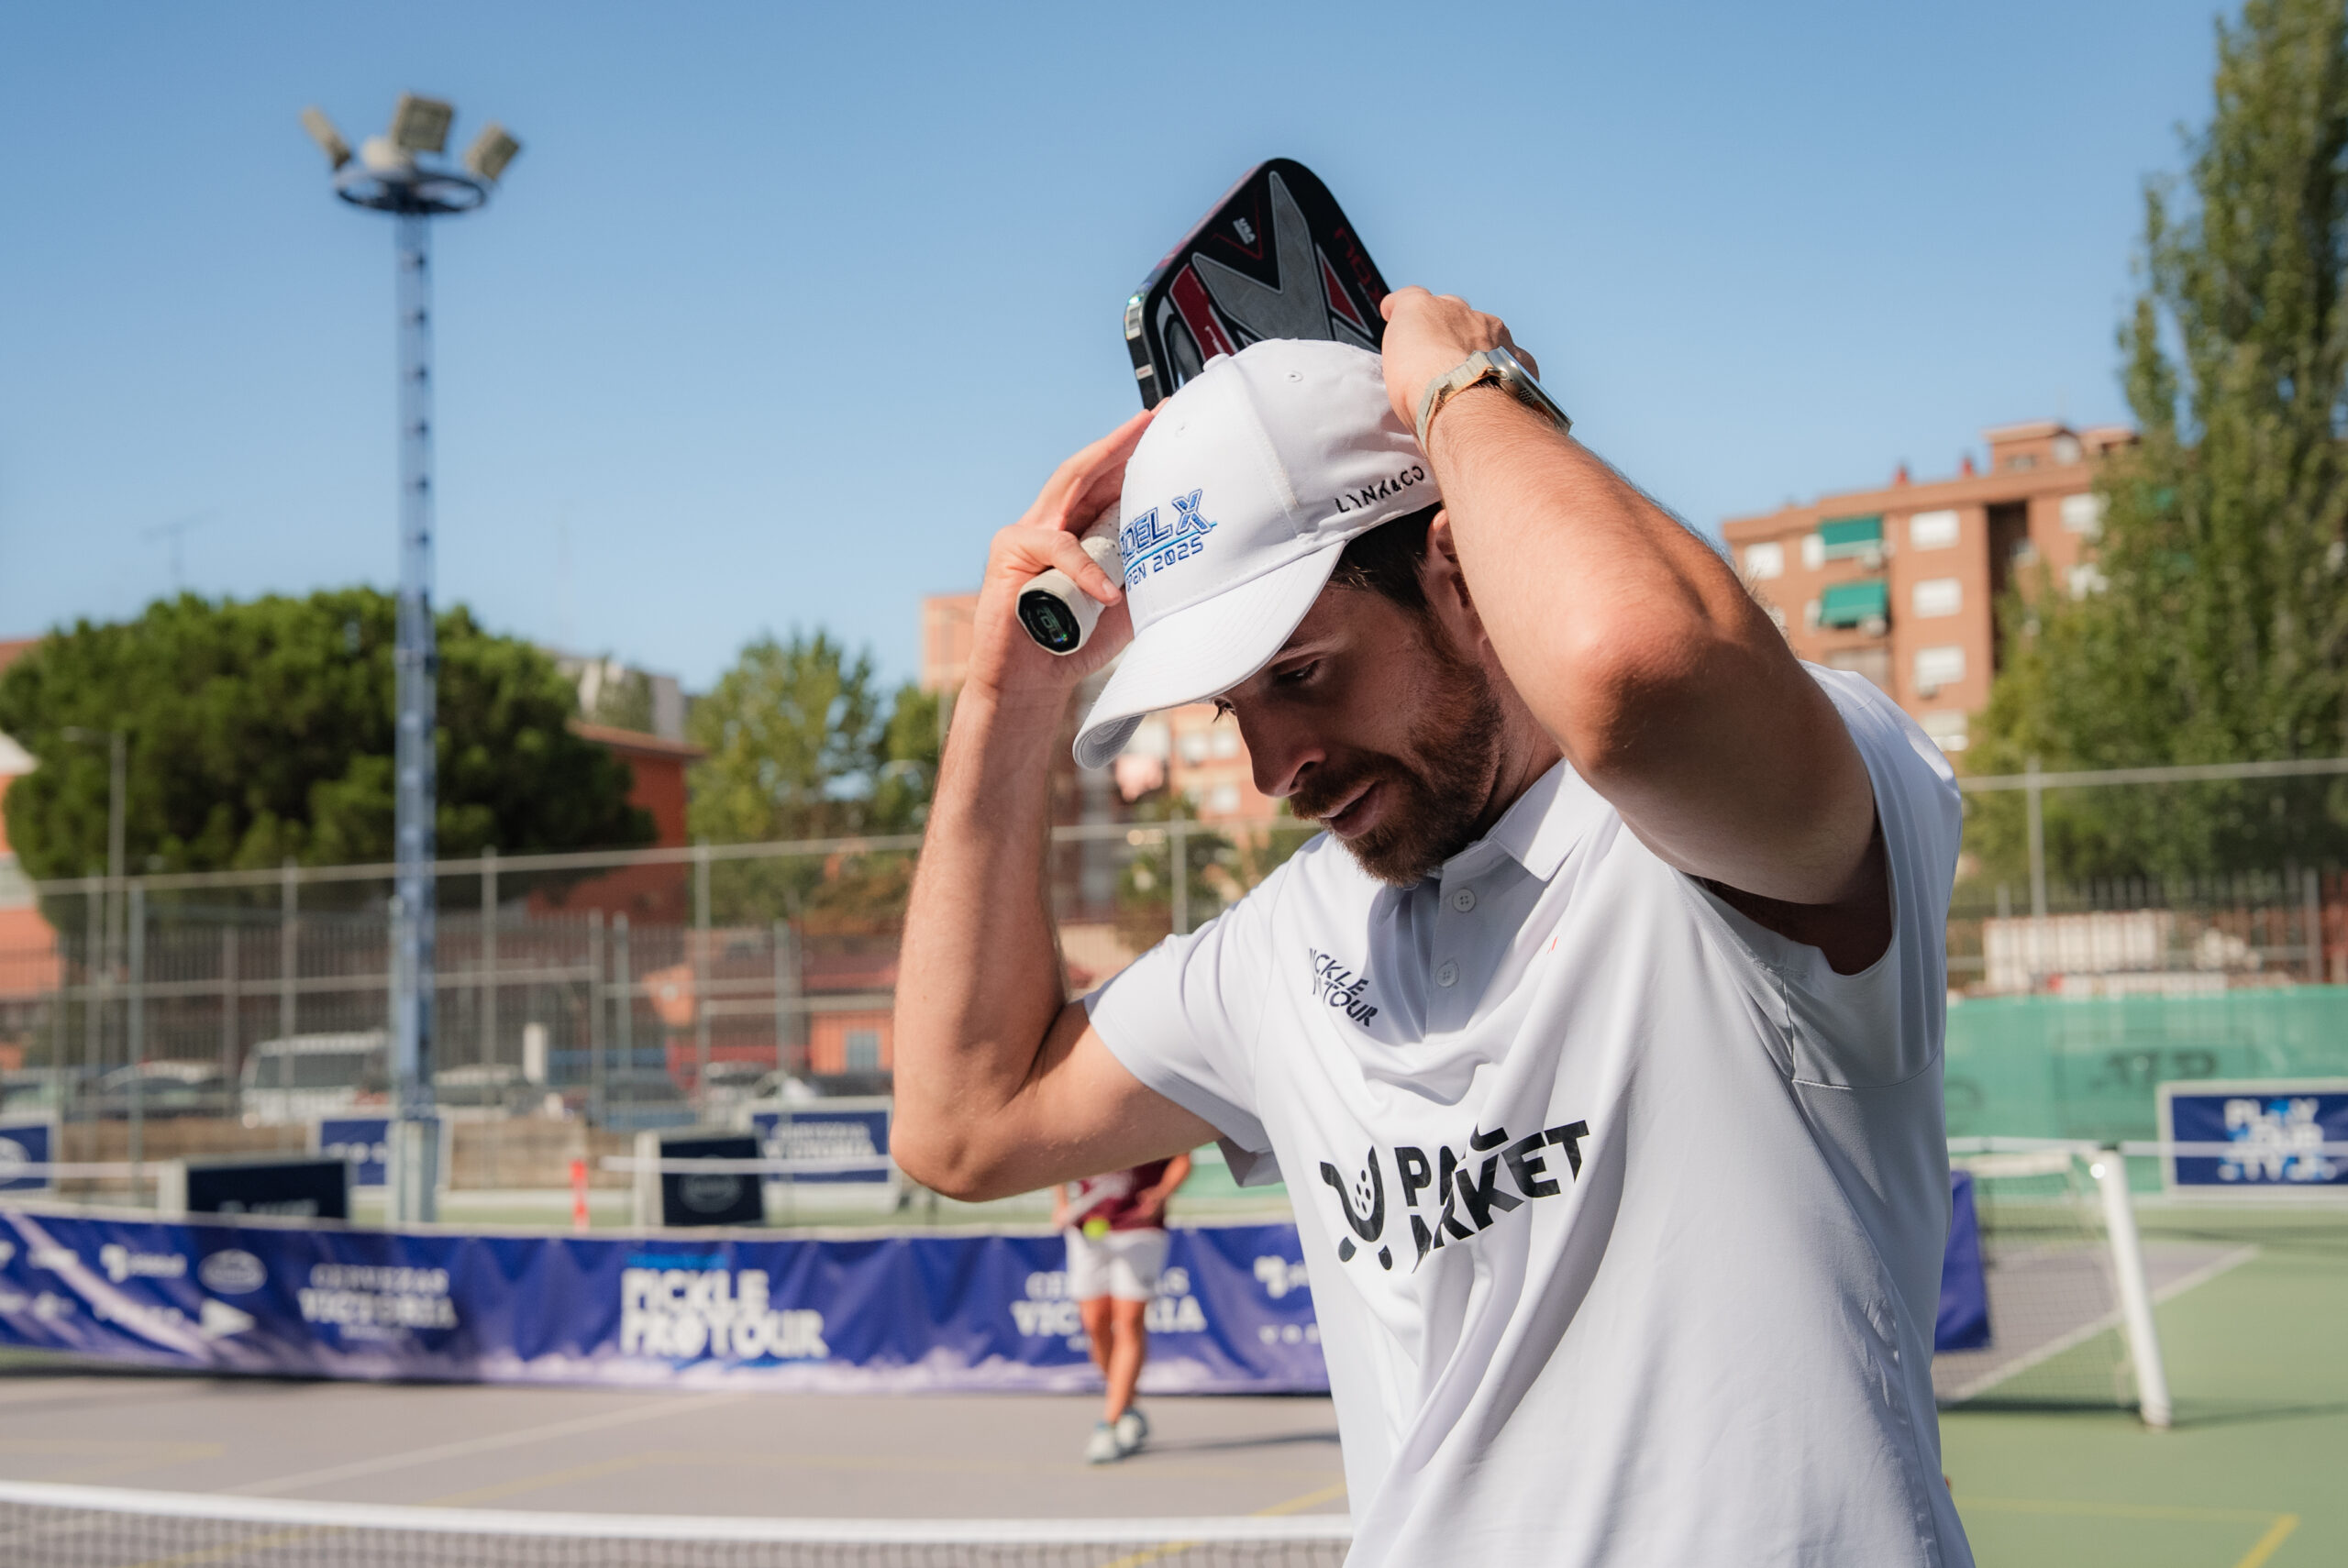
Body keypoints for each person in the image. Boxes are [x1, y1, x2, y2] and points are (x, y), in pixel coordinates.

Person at [894, 289, 1973, 1567]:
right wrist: (1006, 696)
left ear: (1457, 576)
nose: (1275, 767)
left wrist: (1462, 391)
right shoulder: (1282, 950)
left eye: (1301, 674)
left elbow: (1632, 671)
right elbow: (961, 1121)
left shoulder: (1725, 831)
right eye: (1235, 708)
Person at [1050, 1153, 1191, 1463]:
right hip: (1088, 1228)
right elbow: (1057, 1154)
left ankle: (1109, 1424)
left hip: (1139, 1227)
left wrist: (1163, 1193)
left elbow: (1183, 1158)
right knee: (1095, 1323)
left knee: (1129, 1323)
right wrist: (1061, 1203)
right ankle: (1128, 1405)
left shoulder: (1156, 1120)